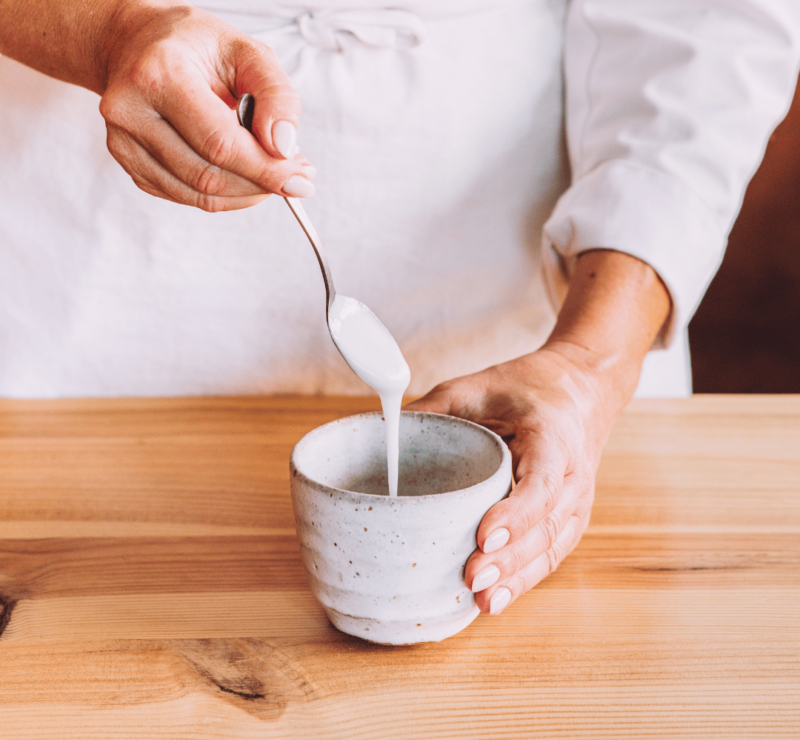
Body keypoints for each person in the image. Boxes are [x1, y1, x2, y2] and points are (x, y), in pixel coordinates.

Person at [1, 0, 799, 616]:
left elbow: (706, 23)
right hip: (85, 287)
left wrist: (591, 360)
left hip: (533, 288)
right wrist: (107, 31)